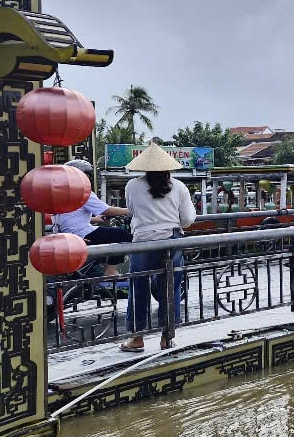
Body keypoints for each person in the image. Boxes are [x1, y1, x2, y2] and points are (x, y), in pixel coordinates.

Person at [120, 143, 196, 353]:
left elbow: (132, 211)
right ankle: (167, 338)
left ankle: (137, 339)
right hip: (171, 241)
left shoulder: (132, 186)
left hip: (143, 241)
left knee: (138, 287)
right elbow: (188, 219)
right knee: (171, 286)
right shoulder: (179, 186)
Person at [54, 160, 131, 277]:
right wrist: (131, 210)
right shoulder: (82, 192)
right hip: (81, 235)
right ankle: (110, 270)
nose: (88, 179)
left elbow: (70, 216)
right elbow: (107, 210)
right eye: (87, 175)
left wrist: (96, 219)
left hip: (65, 235)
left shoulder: (60, 192)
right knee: (121, 234)